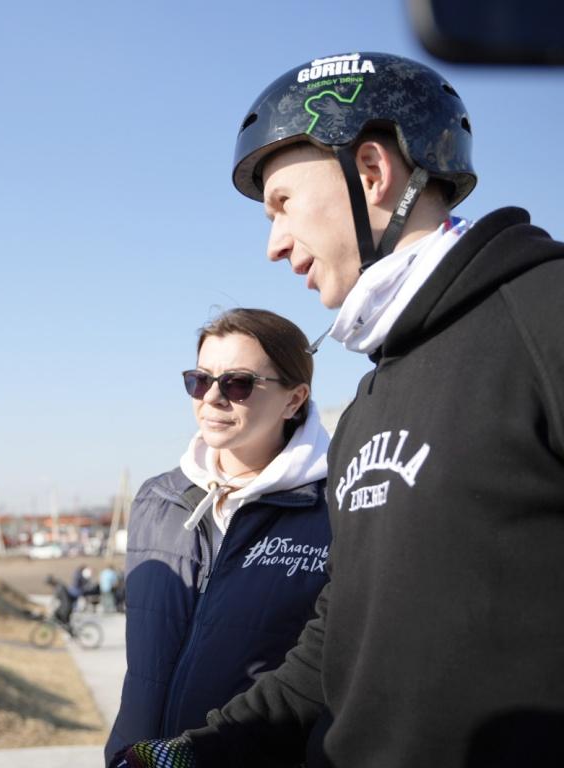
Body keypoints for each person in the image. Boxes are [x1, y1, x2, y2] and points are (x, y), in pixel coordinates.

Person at [114, 51, 564, 768]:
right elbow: (337, 643)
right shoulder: (366, 405)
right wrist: (200, 751)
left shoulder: (545, 315)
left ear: (372, 171)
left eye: (283, 204)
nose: (274, 245)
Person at [105, 308, 331, 765]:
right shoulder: (158, 499)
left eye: (237, 383)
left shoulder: (334, 508)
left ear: (294, 399)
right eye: (199, 380)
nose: (212, 398)